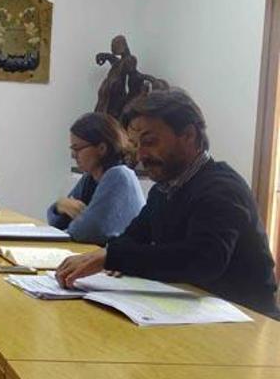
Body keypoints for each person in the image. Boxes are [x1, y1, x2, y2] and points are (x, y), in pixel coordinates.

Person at [56, 88, 279, 317]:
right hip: (190, 308)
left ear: (189, 135)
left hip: (245, 320)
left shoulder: (221, 188)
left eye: (150, 141)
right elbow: (133, 236)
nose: (141, 155)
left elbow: (203, 261)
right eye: (135, 145)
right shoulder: (164, 189)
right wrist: (108, 255)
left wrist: (114, 258)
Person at [46, 112, 144, 245]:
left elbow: (88, 231)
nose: (73, 155)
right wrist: (59, 206)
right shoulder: (89, 178)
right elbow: (55, 224)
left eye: (78, 149)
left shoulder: (119, 175)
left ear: (102, 148)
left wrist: (66, 213)